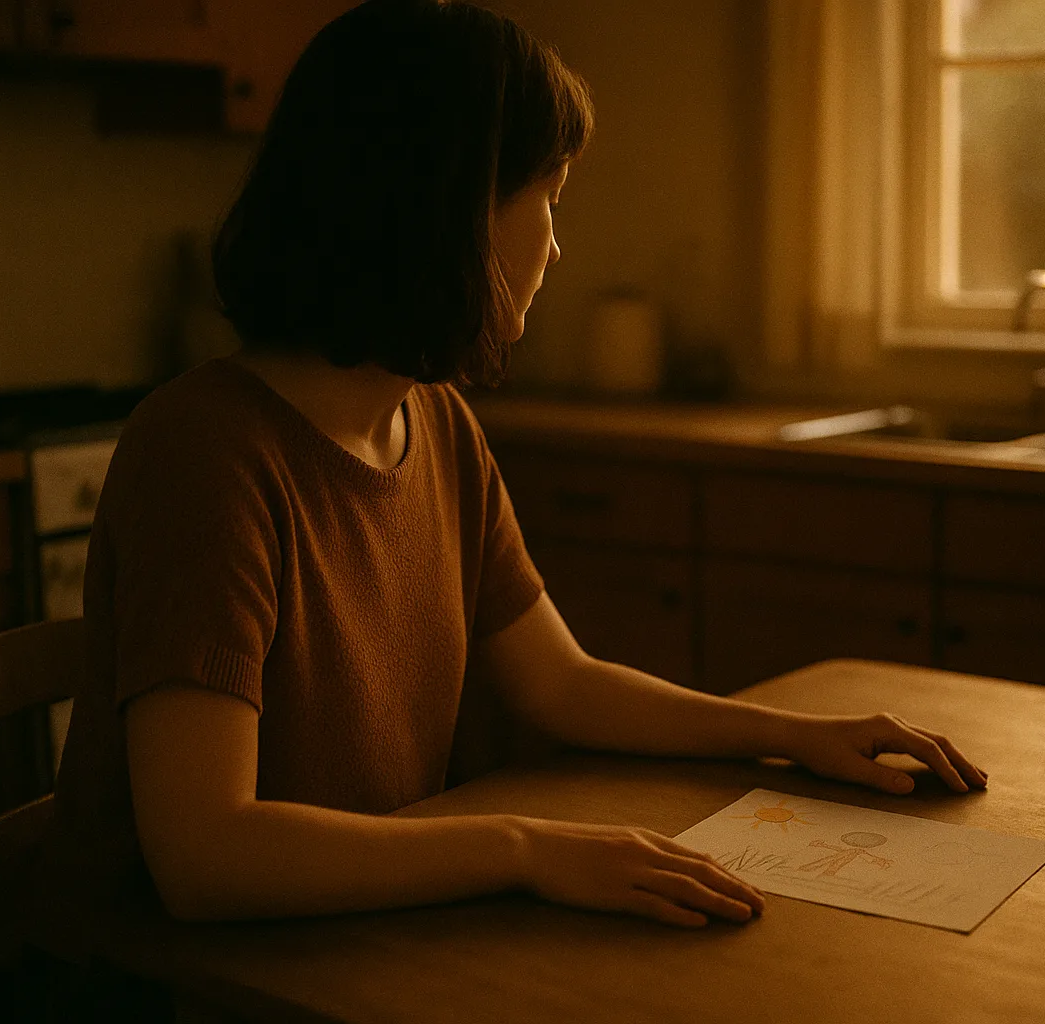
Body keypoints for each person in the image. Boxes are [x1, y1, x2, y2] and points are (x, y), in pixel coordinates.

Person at [48, 0, 987, 933]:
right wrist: (528, 848)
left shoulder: (436, 422)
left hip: (361, 937)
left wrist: (789, 737)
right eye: (548, 200)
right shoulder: (207, 453)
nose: (556, 242)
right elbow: (207, 857)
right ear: (449, 209)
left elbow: (562, 682)